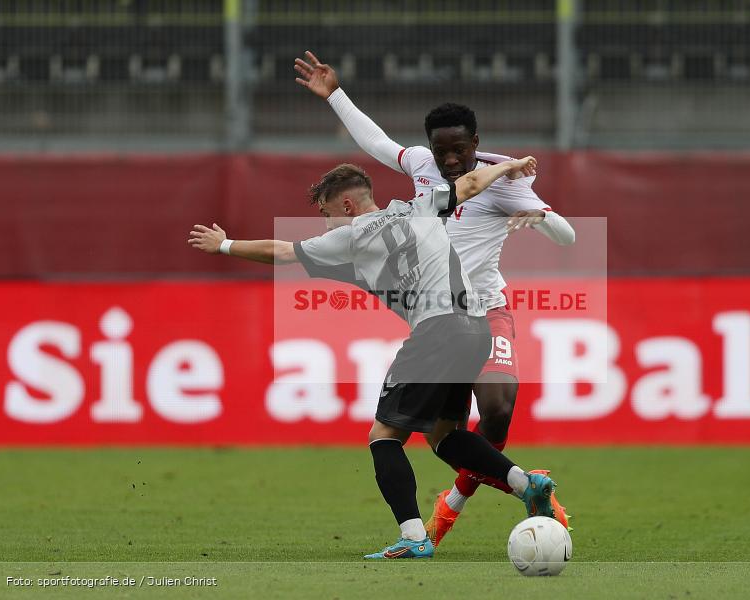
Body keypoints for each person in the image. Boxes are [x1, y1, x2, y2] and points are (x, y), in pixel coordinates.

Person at [188, 159, 559, 560]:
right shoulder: (420, 205)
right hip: (475, 329)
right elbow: (470, 183)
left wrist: (224, 245)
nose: (326, 223)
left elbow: (281, 251)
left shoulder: (349, 236)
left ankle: (414, 537)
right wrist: (509, 166)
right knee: (444, 436)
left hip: (435, 331)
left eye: (326, 213)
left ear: (346, 206)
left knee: (383, 436)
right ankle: (525, 484)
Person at [294, 51, 574, 546]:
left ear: (475, 145)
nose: (449, 161)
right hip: (440, 317)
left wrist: (539, 218)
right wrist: (335, 94)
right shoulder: (423, 166)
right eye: (441, 151)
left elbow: (568, 237)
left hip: (487, 309)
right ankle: (512, 488)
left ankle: (455, 502)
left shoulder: (505, 182)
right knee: (445, 435)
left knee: (496, 410)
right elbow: (377, 142)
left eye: (458, 151)